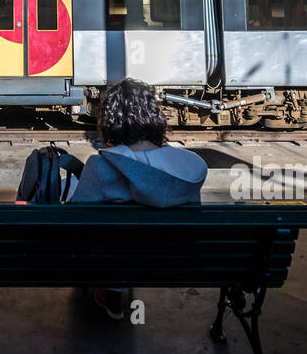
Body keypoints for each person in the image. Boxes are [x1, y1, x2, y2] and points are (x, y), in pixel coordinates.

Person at [69, 77, 208, 319]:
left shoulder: (100, 166)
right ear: (154, 117)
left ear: (110, 121)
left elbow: (76, 225)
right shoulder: (193, 166)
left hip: (116, 260)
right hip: (173, 263)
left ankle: (110, 291)